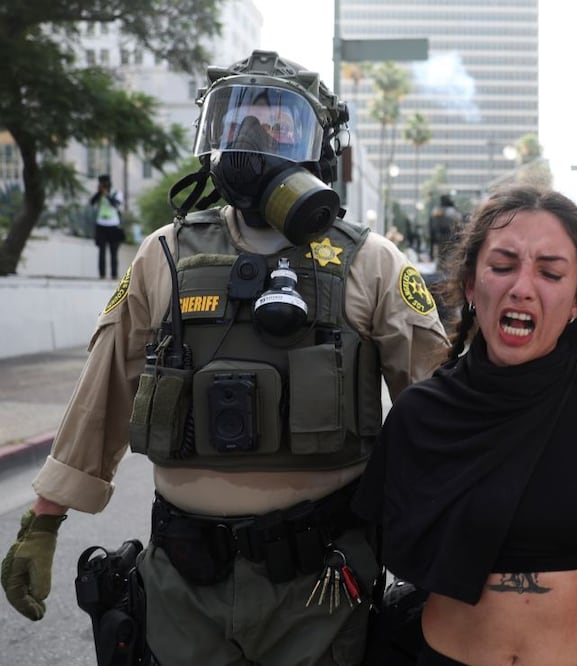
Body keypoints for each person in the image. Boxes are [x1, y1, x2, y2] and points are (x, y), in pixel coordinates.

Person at [0, 49, 449, 665]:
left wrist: (464, 548)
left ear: (318, 146)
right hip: (183, 584)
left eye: (277, 125)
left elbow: (442, 413)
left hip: (320, 584)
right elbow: (102, 387)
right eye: (235, 123)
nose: (252, 140)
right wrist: (42, 521)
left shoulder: (370, 261)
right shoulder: (165, 254)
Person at [358, 184, 577, 665]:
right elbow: (388, 547)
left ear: (576, 302)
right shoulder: (421, 415)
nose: (522, 286)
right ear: (469, 285)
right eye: (502, 267)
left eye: (550, 272)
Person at [90, 174, 125, 280]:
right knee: (102, 251)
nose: (104, 185)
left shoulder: (116, 193)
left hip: (113, 225)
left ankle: (114, 274)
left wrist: (106, 194)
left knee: (113, 251)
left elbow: (116, 204)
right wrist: (99, 193)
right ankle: (102, 275)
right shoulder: (99, 194)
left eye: (105, 183)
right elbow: (92, 202)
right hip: (101, 224)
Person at [429, 193, 463, 269]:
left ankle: (441, 268)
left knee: (442, 256)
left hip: (440, 238)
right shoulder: (453, 211)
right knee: (449, 257)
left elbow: (432, 225)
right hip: (450, 238)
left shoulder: (436, 210)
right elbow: (459, 225)